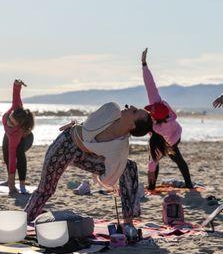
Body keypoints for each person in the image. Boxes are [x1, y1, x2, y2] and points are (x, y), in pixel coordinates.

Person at [24, 103, 152, 227]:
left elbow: (109, 177)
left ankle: (129, 221)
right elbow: (86, 132)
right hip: (66, 143)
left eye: (135, 112)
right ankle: (26, 218)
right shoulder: (111, 109)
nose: (131, 107)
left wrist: (109, 173)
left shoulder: (119, 147)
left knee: (129, 167)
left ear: (132, 126)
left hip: (85, 155)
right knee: (46, 188)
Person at [140, 48, 193, 190]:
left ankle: (151, 186)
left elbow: (150, 86)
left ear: (155, 118)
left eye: (151, 112)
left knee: (153, 159)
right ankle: (189, 184)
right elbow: (150, 85)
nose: (150, 111)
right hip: (175, 138)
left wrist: (144, 64)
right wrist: (145, 65)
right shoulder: (165, 113)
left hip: (169, 141)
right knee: (178, 160)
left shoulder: (156, 128)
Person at [1, 79, 34, 196]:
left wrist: (11, 185)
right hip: (9, 134)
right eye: (9, 119)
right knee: (6, 154)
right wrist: (17, 85)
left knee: (18, 153)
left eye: (11, 122)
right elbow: (16, 95)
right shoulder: (16, 108)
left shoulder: (16, 133)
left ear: (18, 124)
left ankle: (22, 185)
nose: (8, 122)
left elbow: (12, 156)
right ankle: (10, 179)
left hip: (27, 137)